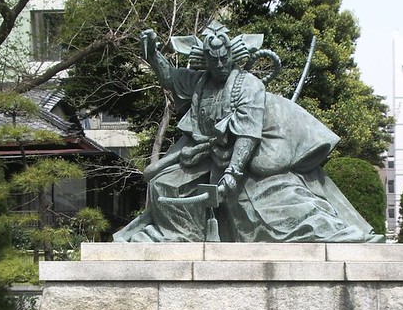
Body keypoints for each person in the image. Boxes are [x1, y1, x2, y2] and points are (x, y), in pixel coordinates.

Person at [113, 21, 384, 243]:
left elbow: (248, 133)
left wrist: (232, 174)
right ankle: (182, 236)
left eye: (223, 58)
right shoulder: (198, 81)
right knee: (162, 184)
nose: (219, 64)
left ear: (233, 56)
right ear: (204, 59)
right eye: (213, 59)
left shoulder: (249, 85)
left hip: (248, 164)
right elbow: (171, 77)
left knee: (282, 211)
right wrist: (152, 54)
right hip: (205, 160)